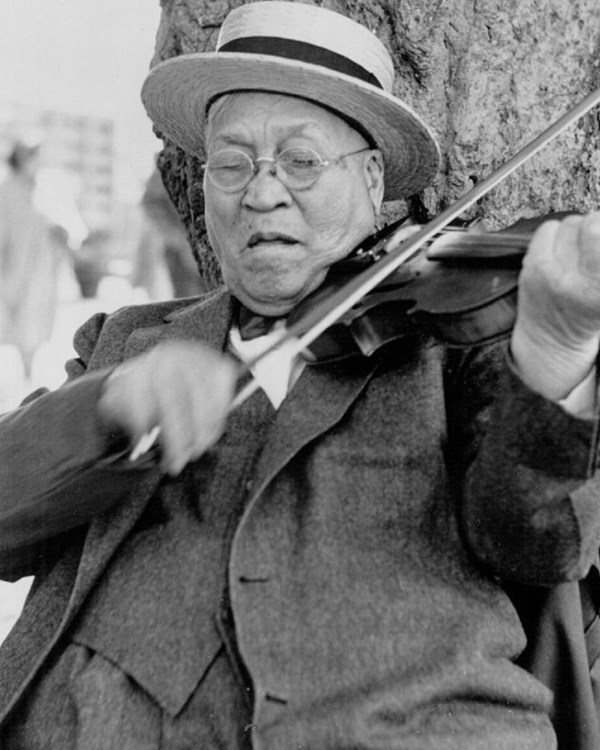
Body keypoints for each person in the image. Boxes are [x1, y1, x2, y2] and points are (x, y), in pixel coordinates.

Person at [0, 3, 599, 748]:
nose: (261, 191)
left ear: (373, 177)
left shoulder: (455, 342)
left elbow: (537, 544)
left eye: (302, 160)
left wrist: (553, 362)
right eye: (232, 161)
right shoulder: (125, 340)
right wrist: (109, 407)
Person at [0, 138, 69, 379]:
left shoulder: (37, 189)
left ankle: (28, 371)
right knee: (14, 318)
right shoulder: (7, 189)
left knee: (33, 320)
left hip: (38, 265)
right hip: (14, 265)